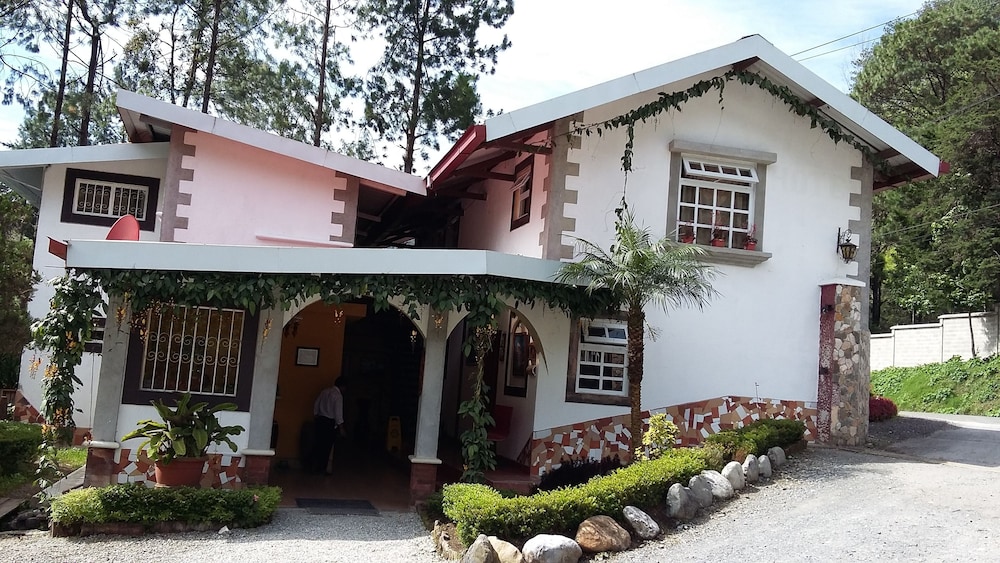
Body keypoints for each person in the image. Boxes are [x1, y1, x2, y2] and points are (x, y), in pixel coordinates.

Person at [312, 377, 347, 474]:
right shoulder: (338, 396)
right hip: (330, 423)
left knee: (318, 444)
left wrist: (316, 416)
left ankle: (314, 467)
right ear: (342, 387)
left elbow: (316, 404)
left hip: (320, 420)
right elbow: (338, 413)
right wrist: (341, 428)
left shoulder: (324, 391)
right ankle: (321, 468)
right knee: (326, 447)